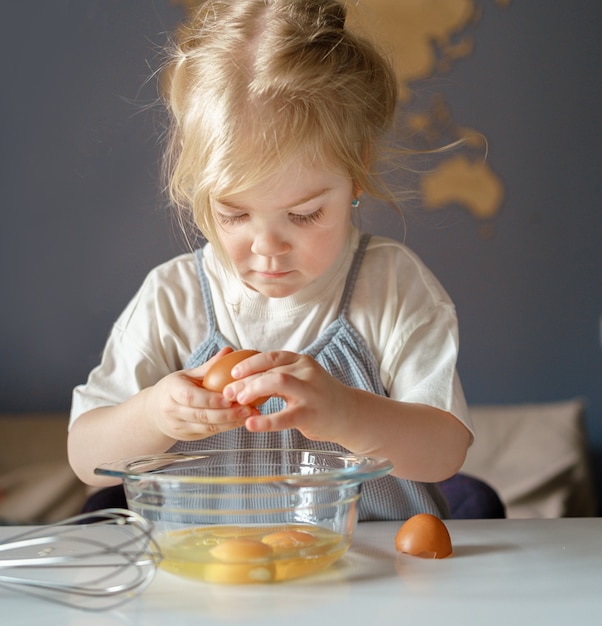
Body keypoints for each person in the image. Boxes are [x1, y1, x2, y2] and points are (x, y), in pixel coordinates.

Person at [68, 0, 473, 520]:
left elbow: (445, 453)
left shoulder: (392, 286)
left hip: (366, 582)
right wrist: (155, 414)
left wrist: (348, 412)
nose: (267, 247)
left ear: (357, 171)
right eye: (234, 214)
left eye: (303, 214)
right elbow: (85, 456)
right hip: (209, 581)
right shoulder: (174, 299)